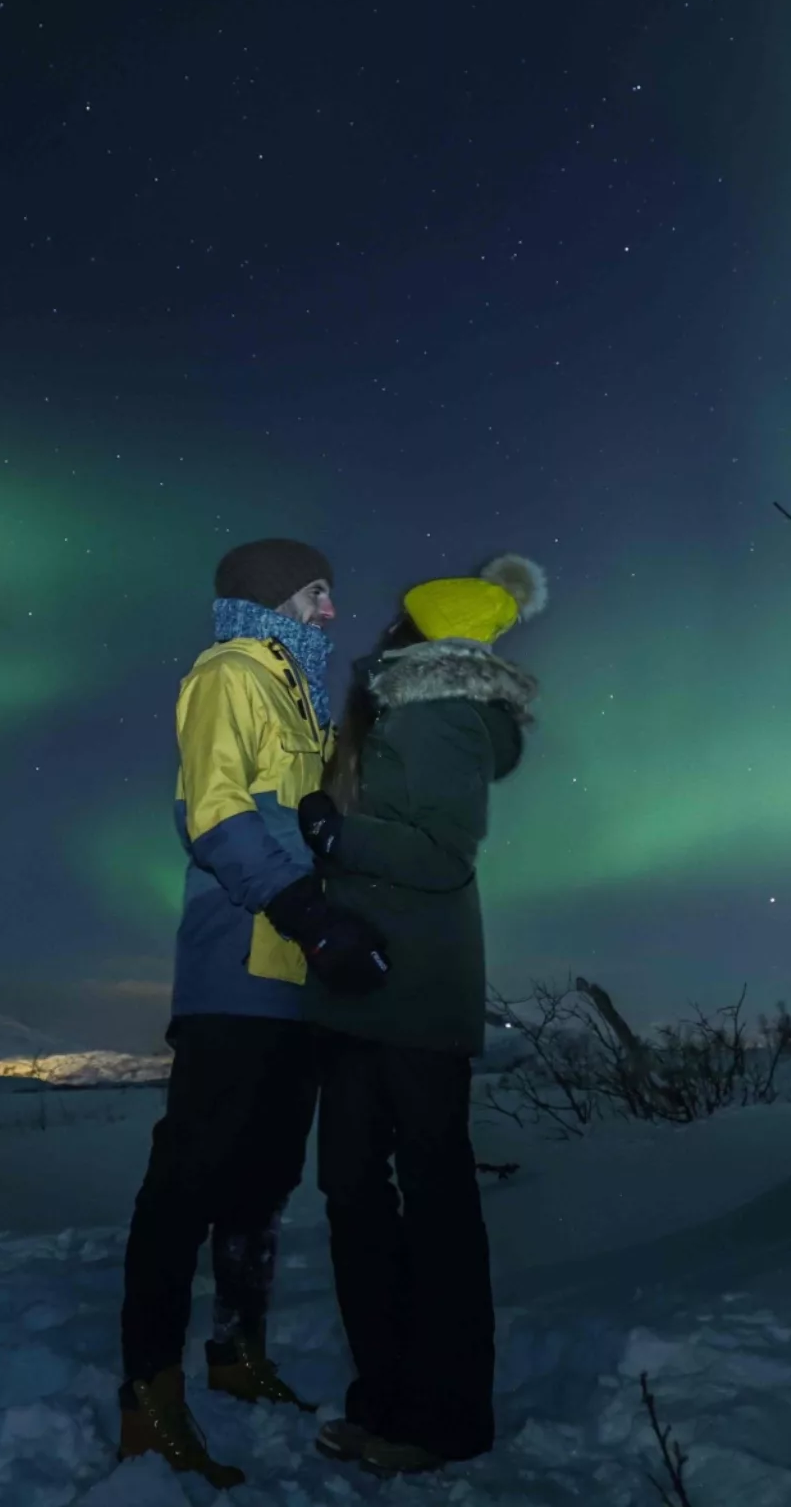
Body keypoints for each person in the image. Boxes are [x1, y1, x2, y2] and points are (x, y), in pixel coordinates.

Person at [116, 537, 393, 1490]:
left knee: (264, 1179)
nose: (329, 612)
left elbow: (298, 820)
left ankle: (236, 1354)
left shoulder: (302, 697)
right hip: (240, 966)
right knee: (187, 1180)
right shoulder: (231, 674)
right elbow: (216, 814)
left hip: (294, 975)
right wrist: (306, 910)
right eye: (318, 594)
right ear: (276, 599)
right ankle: (148, 1402)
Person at [294, 552, 548, 1477]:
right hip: (367, 992)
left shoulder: (441, 712)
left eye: (399, 622)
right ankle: (388, 1403)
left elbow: (442, 853)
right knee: (358, 1200)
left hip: (410, 996)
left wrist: (333, 830)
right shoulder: (407, 708)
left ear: (422, 632)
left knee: (426, 1208)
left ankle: (444, 1417)